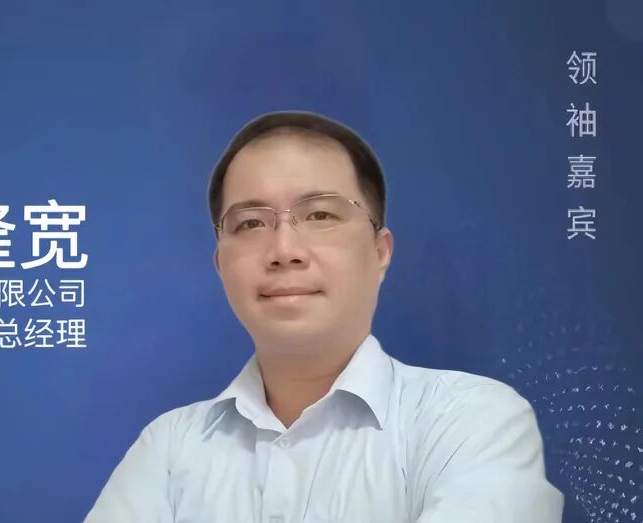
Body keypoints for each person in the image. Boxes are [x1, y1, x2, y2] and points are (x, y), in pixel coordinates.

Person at [84, 111, 564, 522]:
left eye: (320, 216)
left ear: (380, 252)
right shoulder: (169, 448)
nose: (284, 249)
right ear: (220, 264)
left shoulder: (469, 420)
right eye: (250, 223)